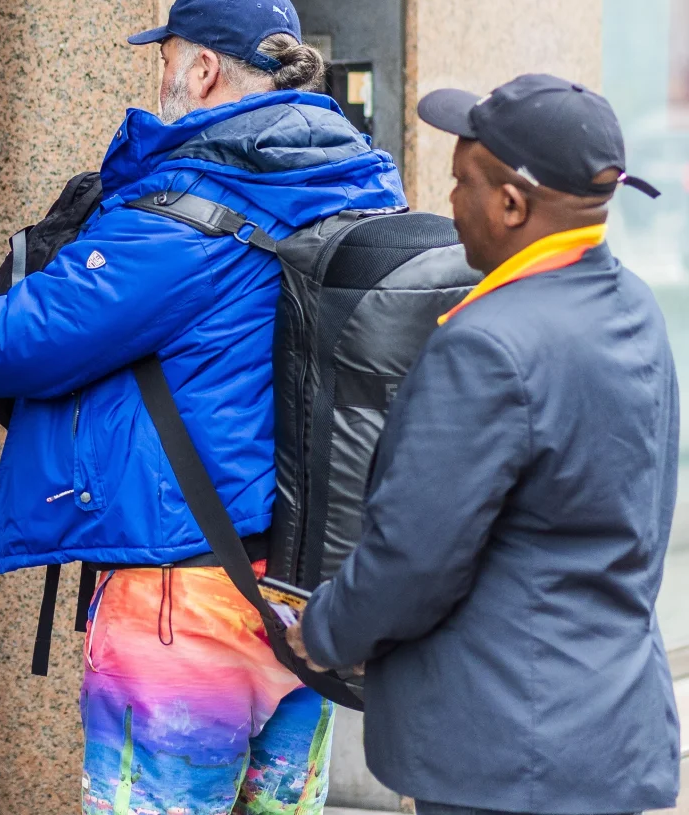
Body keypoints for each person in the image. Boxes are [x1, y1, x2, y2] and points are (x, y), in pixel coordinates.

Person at [0, 0, 408, 815]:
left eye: (168, 59)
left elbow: (36, 331)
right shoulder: (356, 184)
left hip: (183, 598)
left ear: (205, 70)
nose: (162, 78)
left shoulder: (187, 210)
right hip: (302, 595)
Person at [287, 75, 680, 815]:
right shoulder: (633, 306)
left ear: (511, 205)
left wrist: (327, 628)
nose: (450, 201)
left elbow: (414, 554)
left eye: (461, 182)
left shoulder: (488, 345)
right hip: (609, 733)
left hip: (501, 753)